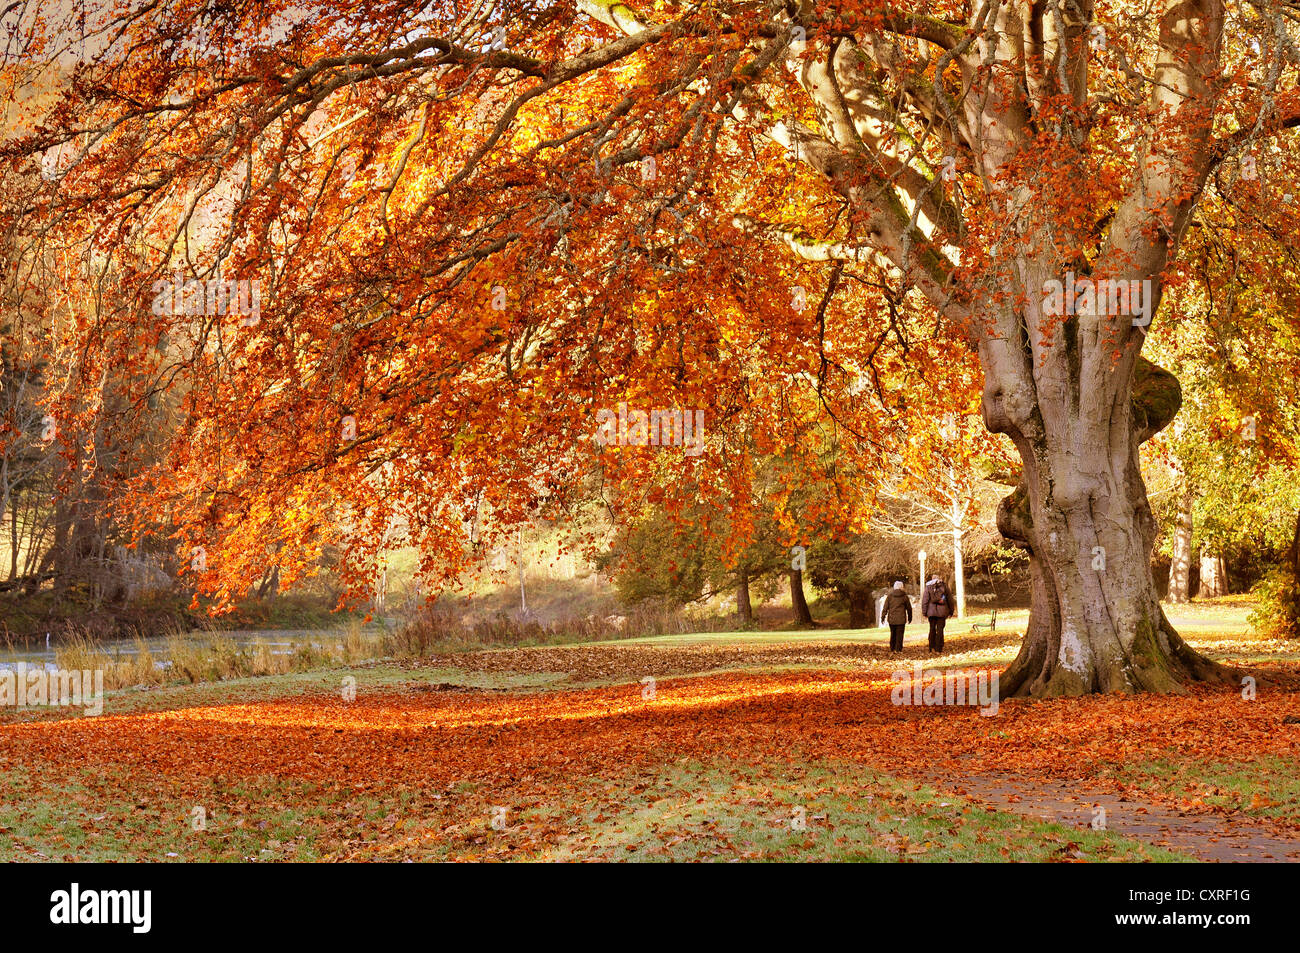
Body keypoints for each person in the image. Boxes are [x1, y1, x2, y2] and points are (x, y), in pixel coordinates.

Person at [921, 574, 953, 653]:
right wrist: (951, 611)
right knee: (940, 630)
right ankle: (939, 648)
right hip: (942, 612)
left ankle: (931, 646)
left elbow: (925, 601)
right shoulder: (944, 587)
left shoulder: (928, 587)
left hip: (931, 613)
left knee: (932, 629)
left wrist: (924, 612)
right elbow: (950, 600)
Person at [882, 580, 912, 652]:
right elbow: (909, 608)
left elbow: (885, 607)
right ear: (902, 587)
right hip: (901, 619)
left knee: (893, 633)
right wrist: (910, 617)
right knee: (900, 635)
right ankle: (898, 649)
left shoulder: (890, 596)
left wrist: (883, 617)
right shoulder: (904, 597)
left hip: (892, 619)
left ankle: (892, 648)